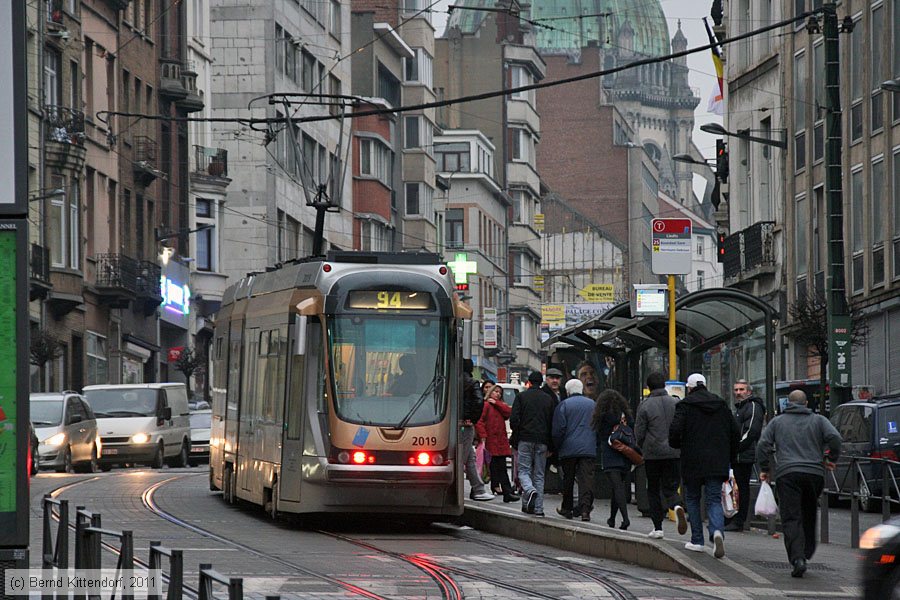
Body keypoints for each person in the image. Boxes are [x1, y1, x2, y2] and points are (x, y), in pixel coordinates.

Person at [757, 389, 842, 577]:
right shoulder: (819, 420)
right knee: (809, 513)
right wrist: (831, 458)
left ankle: (797, 558)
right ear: (806, 404)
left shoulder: (777, 422)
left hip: (787, 474)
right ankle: (807, 551)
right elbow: (835, 438)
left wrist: (765, 468)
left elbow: (763, 445)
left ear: (788, 403)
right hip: (814, 474)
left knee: (791, 516)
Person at [668, 373, 739, 559]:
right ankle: (717, 532)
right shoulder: (721, 404)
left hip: (692, 459)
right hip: (717, 460)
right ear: (705, 385)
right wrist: (730, 455)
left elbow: (675, 431)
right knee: (713, 499)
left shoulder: (685, 405)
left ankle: (697, 540)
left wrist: (677, 444)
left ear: (689, 388)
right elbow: (735, 432)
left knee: (692, 497)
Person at [635, 371, 682, 539]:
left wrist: (641, 447)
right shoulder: (676, 403)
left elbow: (639, 432)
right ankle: (676, 506)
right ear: (664, 385)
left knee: (653, 489)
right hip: (674, 452)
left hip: (653, 454)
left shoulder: (645, 405)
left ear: (648, 387)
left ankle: (658, 527)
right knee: (670, 486)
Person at [510, 371, 556, 516]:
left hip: (525, 438)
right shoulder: (548, 399)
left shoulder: (521, 397)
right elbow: (552, 423)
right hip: (542, 441)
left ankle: (529, 491)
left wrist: (516, 435)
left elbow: (513, 420)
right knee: (539, 475)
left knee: (524, 471)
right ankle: (537, 508)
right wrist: (551, 444)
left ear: (529, 382)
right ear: (541, 382)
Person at [551, 378, 596, 521]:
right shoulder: (593, 404)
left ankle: (567, 508)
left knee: (568, 479)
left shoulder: (564, 405)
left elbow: (559, 429)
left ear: (568, 391)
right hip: (588, 448)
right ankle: (585, 511)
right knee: (586, 480)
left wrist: (557, 447)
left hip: (568, 449)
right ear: (582, 389)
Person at [726, 378, 766, 532]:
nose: (738, 393)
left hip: (743, 454)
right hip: (738, 454)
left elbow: (751, 432)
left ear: (749, 391)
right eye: (736, 390)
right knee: (736, 488)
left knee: (742, 488)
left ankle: (739, 520)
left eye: (741, 390)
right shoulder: (741, 408)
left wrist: (736, 448)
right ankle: (733, 518)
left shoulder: (753, 406)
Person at [591, 388, 634, 530]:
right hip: (625, 453)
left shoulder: (603, 416)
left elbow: (598, 434)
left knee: (617, 487)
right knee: (618, 486)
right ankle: (612, 518)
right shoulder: (625, 415)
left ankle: (626, 518)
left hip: (610, 453)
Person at [475, 385, 518, 502]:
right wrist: (483, 436)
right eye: (496, 391)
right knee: (494, 468)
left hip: (500, 442)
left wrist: (496, 403)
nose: (498, 394)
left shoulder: (498, 406)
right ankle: (504, 490)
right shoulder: (486, 405)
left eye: (500, 392)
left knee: (501, 468)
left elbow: (508, 412)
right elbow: (479, 421)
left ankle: (506, 491)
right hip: (491, 441)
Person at [461, 359, 494, 501]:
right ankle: (477, 489)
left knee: (470, 458)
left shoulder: (451, 379)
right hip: (465, 425)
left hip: (455, 422)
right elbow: (479, 402)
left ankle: (478, 489)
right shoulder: (471, 382)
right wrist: (471, 418)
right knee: (463, 457)